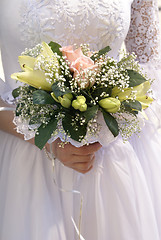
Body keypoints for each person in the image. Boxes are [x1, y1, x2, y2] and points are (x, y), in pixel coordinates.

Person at [0, 0, 161, 239]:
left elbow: (149, 63)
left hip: (111, 158)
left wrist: (112, 117)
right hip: (26, 158)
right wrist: (45, 140)